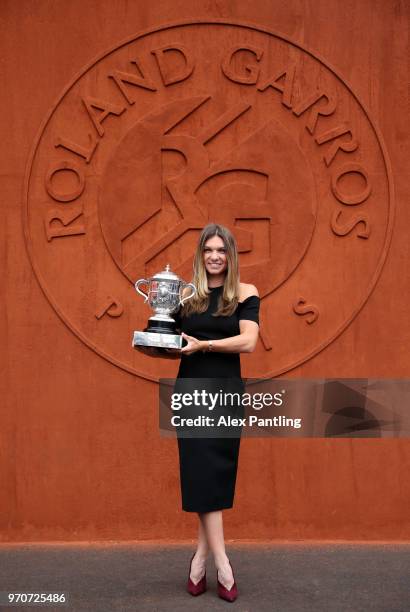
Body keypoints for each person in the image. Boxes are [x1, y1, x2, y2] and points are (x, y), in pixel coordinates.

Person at [138, 223, 260, 602]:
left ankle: (199, 559)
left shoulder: (245, 292)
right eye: (208, 249)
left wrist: (203, 345)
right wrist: (156, 339)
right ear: (200, 254)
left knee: (217, 473)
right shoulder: (185, 296)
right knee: (200, 472)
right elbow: (170, 340)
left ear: (231, 255)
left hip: (225, 393)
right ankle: (222, 563)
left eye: (222, 250)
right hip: (190, 392)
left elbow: (249, 341)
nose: (215, 256)